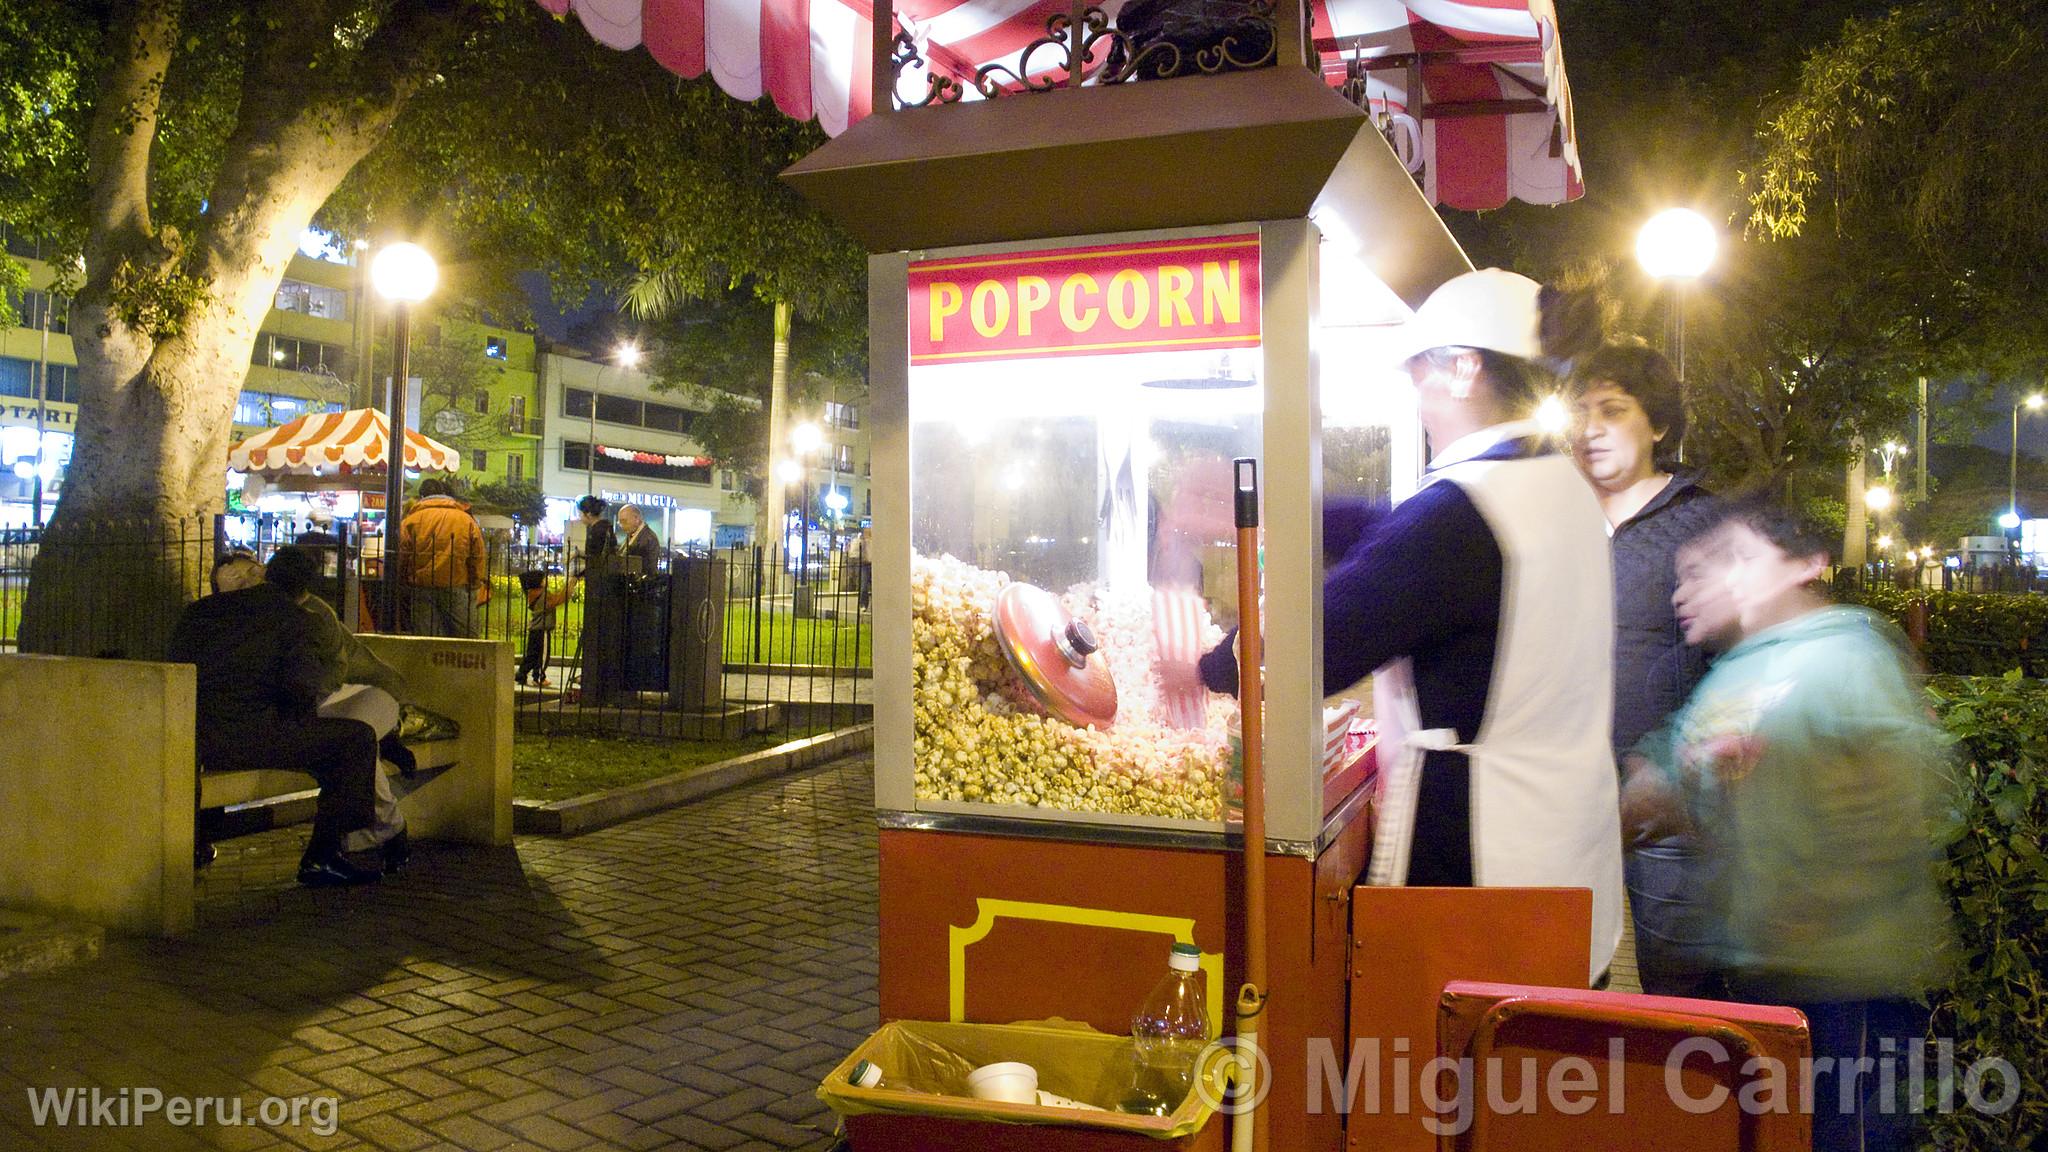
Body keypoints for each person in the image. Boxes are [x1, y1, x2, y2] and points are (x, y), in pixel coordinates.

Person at [1200, 267, 1623, 983]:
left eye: (1419, 372)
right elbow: (1402, 538)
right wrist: (1282, 511)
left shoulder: (1463, 513)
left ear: (1464, 369)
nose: (1415, 395)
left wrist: (1209, 663)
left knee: (1445, 1081)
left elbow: (1313, 652)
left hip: (1483, 869)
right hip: (1567, 861)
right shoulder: (1551, 481)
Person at [1626, 501, 1955, 1152]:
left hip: (1853, 984)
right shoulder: (1736, 674)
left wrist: (1814, 904)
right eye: (1688, 574)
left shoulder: (1849, 653)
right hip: (1764, 982)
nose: (1696, 587)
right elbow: (1688, 794)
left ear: (1804, 565)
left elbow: (1915, 805)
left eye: (1732, 561)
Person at [1567, 343, 1725, 998]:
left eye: (1612, 409)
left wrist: (1682, 760)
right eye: (1579, 412)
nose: (1590, 428)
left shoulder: (1702, 520)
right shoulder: (1556, 518)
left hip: (1667, 801)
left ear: (1657, 424)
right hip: (1564, 794)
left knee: (1680, 984)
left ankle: (1684, 1096)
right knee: (1569, 971)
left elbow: (1735, 654)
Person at [170, 554, 382, 887]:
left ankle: (199, 843)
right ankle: (324, 855)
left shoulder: (198, 613)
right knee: (356, 739)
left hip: (194, 735)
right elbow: (301, 689)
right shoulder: (294, 618)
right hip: (252, 736)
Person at [265, 546, 414, 871]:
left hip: (371, 692)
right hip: (337, 697)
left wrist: (305, 703)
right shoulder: (274, 610)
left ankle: (387, 827)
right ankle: (386, 829)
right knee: (351, 746)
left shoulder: (315, 616)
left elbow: (334, 670)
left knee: (352, 743)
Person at [399, 477, 487, 638]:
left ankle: (430, 663)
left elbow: (402, 555)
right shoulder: (465, 520)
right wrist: (474, 582)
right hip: (457, 582)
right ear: (443, 493)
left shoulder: (410, 521)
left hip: (422, 586)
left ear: (422, 496)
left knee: (426, 637)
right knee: (466, 637)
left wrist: (404, 580)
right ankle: (462, 662)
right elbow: (477, 554)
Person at [516, 568, 571, 688]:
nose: (546, 580)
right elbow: (560, 599)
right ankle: (539, 677)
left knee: (532, 655)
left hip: (534, 630)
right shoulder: (542, 595)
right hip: (542, 630)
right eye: (544, 578)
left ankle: (521, 674)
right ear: (538, 582)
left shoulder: (532, 594)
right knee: (543, 655)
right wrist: (572, 581)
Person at [616, 503, 662, 574]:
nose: (622, 526)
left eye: (624, 521)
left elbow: (649, 568)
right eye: (620, 522)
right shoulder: (632, 535)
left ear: (636, 518)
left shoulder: (649, 538)